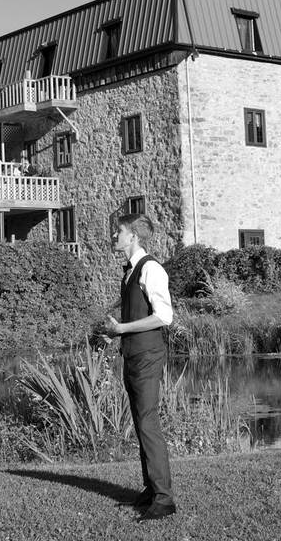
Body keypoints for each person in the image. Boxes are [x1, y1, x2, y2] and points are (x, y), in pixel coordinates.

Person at [94, 213, 176, 521]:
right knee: (142, 422)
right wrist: (113, 332)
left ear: (134, 237)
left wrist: (123, 330)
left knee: (147, 423)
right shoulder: (130, 271)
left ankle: (165, 499)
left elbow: (164, 317)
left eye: (119, 232)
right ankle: (151, 489)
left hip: (147, 355)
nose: (114, 236)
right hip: (133, 354)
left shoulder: (151, 268)